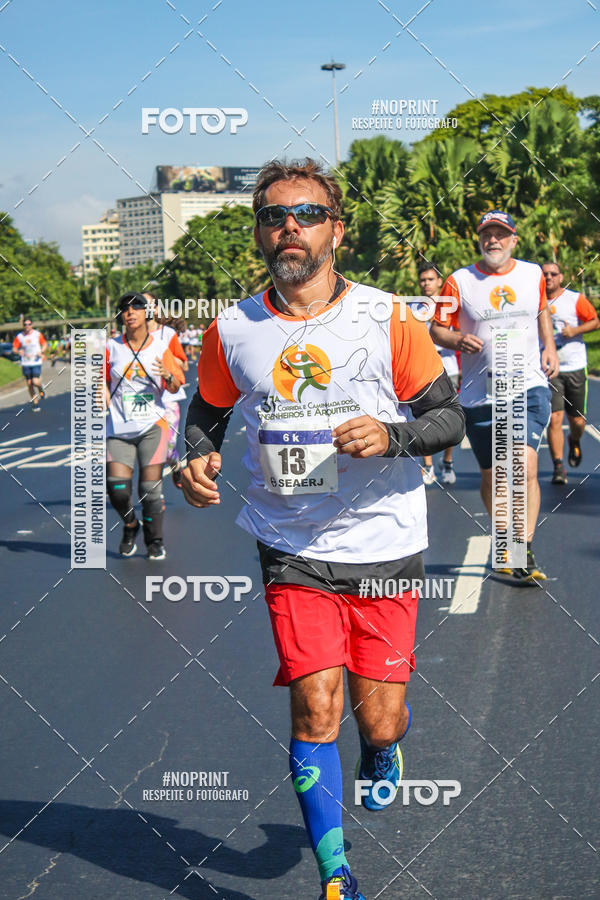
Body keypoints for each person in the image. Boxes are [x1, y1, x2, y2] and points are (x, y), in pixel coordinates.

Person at [182, 159, 465, 900]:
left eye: (308, 214)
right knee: (315, 706)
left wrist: (391, 436)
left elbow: (448, 418)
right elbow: (204, 416)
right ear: (260, 232)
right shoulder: (233, 327)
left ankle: (382, 753)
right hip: (292, 547)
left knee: (381, 721)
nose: (291, 228)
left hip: (384, 545)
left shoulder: (386, 318)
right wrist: (195, 459)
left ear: (336, 229)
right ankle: (336, 876)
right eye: (276, 215)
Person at [431, 210, 559, 583]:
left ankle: (522, 546)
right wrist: (457, 339)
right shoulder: (459, 281)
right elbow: (437, 329)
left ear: (513, 240)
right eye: (487, 234)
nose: (494, 241)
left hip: (528, 383)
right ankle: (503, 536)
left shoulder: (532, 273)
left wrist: (549, 346)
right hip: (479, 393)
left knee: (524, 465)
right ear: (479, 239)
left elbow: (541, 312)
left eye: (501, 235)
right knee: (494, 476)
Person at [105, 292, 182, 560]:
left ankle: (154, 540)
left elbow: (175, 384)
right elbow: (100, 380)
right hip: (118, 427)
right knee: (117, 489)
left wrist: (168, 375)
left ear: (145, 313)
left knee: (149, 491)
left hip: (153, 426)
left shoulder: (160, 348)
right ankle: (130, 525)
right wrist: (101, 392)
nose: (130, 312)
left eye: (136, 307)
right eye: (124, 308)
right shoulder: (110, 347)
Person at [541, 262, 599, 484]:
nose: (549, 278)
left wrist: (574, 330)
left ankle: (574, 440)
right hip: (549, 368)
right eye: (545, 274)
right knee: (554, 417)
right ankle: (558, 466)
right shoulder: (536, 301)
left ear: (561, 276)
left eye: (553, 274)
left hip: (575, 365)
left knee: (577, 421)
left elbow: (594, 321)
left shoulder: (574, 299)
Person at [415, 262, 460, 485]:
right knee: (426, 419)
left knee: (451, 419)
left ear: (439, 281)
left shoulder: (450, 306)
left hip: (449, 368)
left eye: (430, 279)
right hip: (424, 371)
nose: (426, 284)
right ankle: (428, 466)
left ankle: (448, 463)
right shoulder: (413, 307)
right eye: (423, 280)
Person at [143, 293, 189, 488]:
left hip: (168, 396)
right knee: (147, 450)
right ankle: (153, 496)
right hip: (142, 398)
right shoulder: (130, 336)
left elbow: (183, 365)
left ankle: (175, 464)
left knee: (167, 449)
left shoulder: (167, 335)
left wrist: (164, 358)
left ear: (155, 309)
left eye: (148, 304)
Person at [12, 318, 46, 411]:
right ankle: (35, 403)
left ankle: (40, 388)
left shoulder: (37, 334)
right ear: (23, 326)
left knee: (35, 381)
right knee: (29, 383)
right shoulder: (20, 336)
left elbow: (44, 344)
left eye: (29, 324)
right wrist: (18, 351)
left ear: (32, 325)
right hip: (26, 362)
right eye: (25, 324)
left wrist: (42, 352)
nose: (27, 326)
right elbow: (14, 348)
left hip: (35, 361)